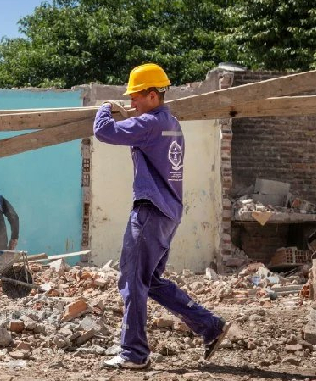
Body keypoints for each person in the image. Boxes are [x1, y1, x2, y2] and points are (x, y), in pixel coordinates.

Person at [94, 63, 230, 369]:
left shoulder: (150, 123)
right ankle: (210, 326)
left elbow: (103, 131)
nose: (132, 103)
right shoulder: (171, 123)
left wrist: (104, 107)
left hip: (149, 212)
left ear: (153, 96)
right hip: (168, 214)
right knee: (150, 281)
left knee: (132, 280)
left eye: (136, 97)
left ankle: (134, 353)